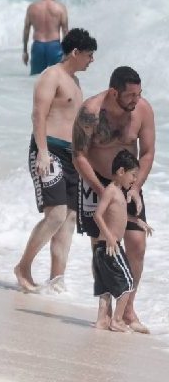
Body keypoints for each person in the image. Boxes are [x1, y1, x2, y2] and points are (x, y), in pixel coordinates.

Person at [72, 66, 157, 333]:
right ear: (113, 92)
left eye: (139, 94)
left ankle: (128, 309)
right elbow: (79, 156)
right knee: (103, 249)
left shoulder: (142, 110)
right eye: (131, 95)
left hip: (128, 183)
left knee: (137, 244)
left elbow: (147, 153)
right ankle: (106, 313)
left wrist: (134, 188)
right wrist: (101, 190)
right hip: (95, 181)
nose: (136, 100)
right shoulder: (91, 112)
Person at [13, 28, 97, 293]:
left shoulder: (75, 81)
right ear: (75, 52)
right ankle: (23, 266)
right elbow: (38, 116)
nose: (91, 60)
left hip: (72, 155)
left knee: (70, 218)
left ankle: (56, 280)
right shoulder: (52, 76)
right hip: (49, 150)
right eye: (89, 55)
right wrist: (42, 152)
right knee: (55, 215)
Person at [88, 150, 145, 332]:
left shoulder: (119, 193)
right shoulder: (111, 191)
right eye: (133, 175)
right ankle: (117, 320)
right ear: (121, 171)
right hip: (110, 247)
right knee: (128, 284)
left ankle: (101, 321)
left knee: (105, 288)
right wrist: (110, 237)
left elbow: (119, 216)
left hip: (103, 248)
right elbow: (97, 215)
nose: (135, 180)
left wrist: (138, 221)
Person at [23, 0, 69, 75]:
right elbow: (65, 30)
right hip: (54, 46)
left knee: (36, 78)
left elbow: (26, 29)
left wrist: (25, 51)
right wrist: (67, 52)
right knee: (58, 77)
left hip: (38, 46)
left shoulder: (32, 8)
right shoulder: (60, 8)